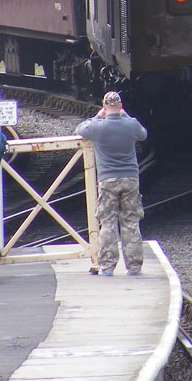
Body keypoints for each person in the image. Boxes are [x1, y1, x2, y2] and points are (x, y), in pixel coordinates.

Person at [75, 91, 148, 277]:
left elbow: (80, 129)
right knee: (131, 222)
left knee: (107, 223)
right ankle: (134, 267)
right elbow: (143, 134)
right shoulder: (130, 124)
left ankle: (107, 267)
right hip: (130, 179)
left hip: (107, 180)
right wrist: (126, 115)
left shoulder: (98, 127)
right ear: (121, 106)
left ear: (104, 106)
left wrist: (98, 115)